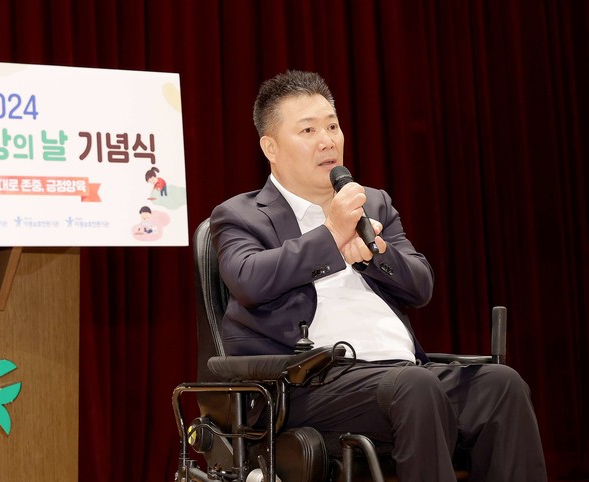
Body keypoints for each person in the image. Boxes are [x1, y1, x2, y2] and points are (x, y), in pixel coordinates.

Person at [209, 70, 547, 481]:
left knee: (501, 385)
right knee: (415, 388)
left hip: (400, 372)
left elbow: (420, 286)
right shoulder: (239, 214)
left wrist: (377, 255)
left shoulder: (373, 203)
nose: (327, 140)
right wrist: (330, 235)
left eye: (332, 126)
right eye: (308, 130)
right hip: (306, 385)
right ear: (271, 147)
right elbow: (248, 280)